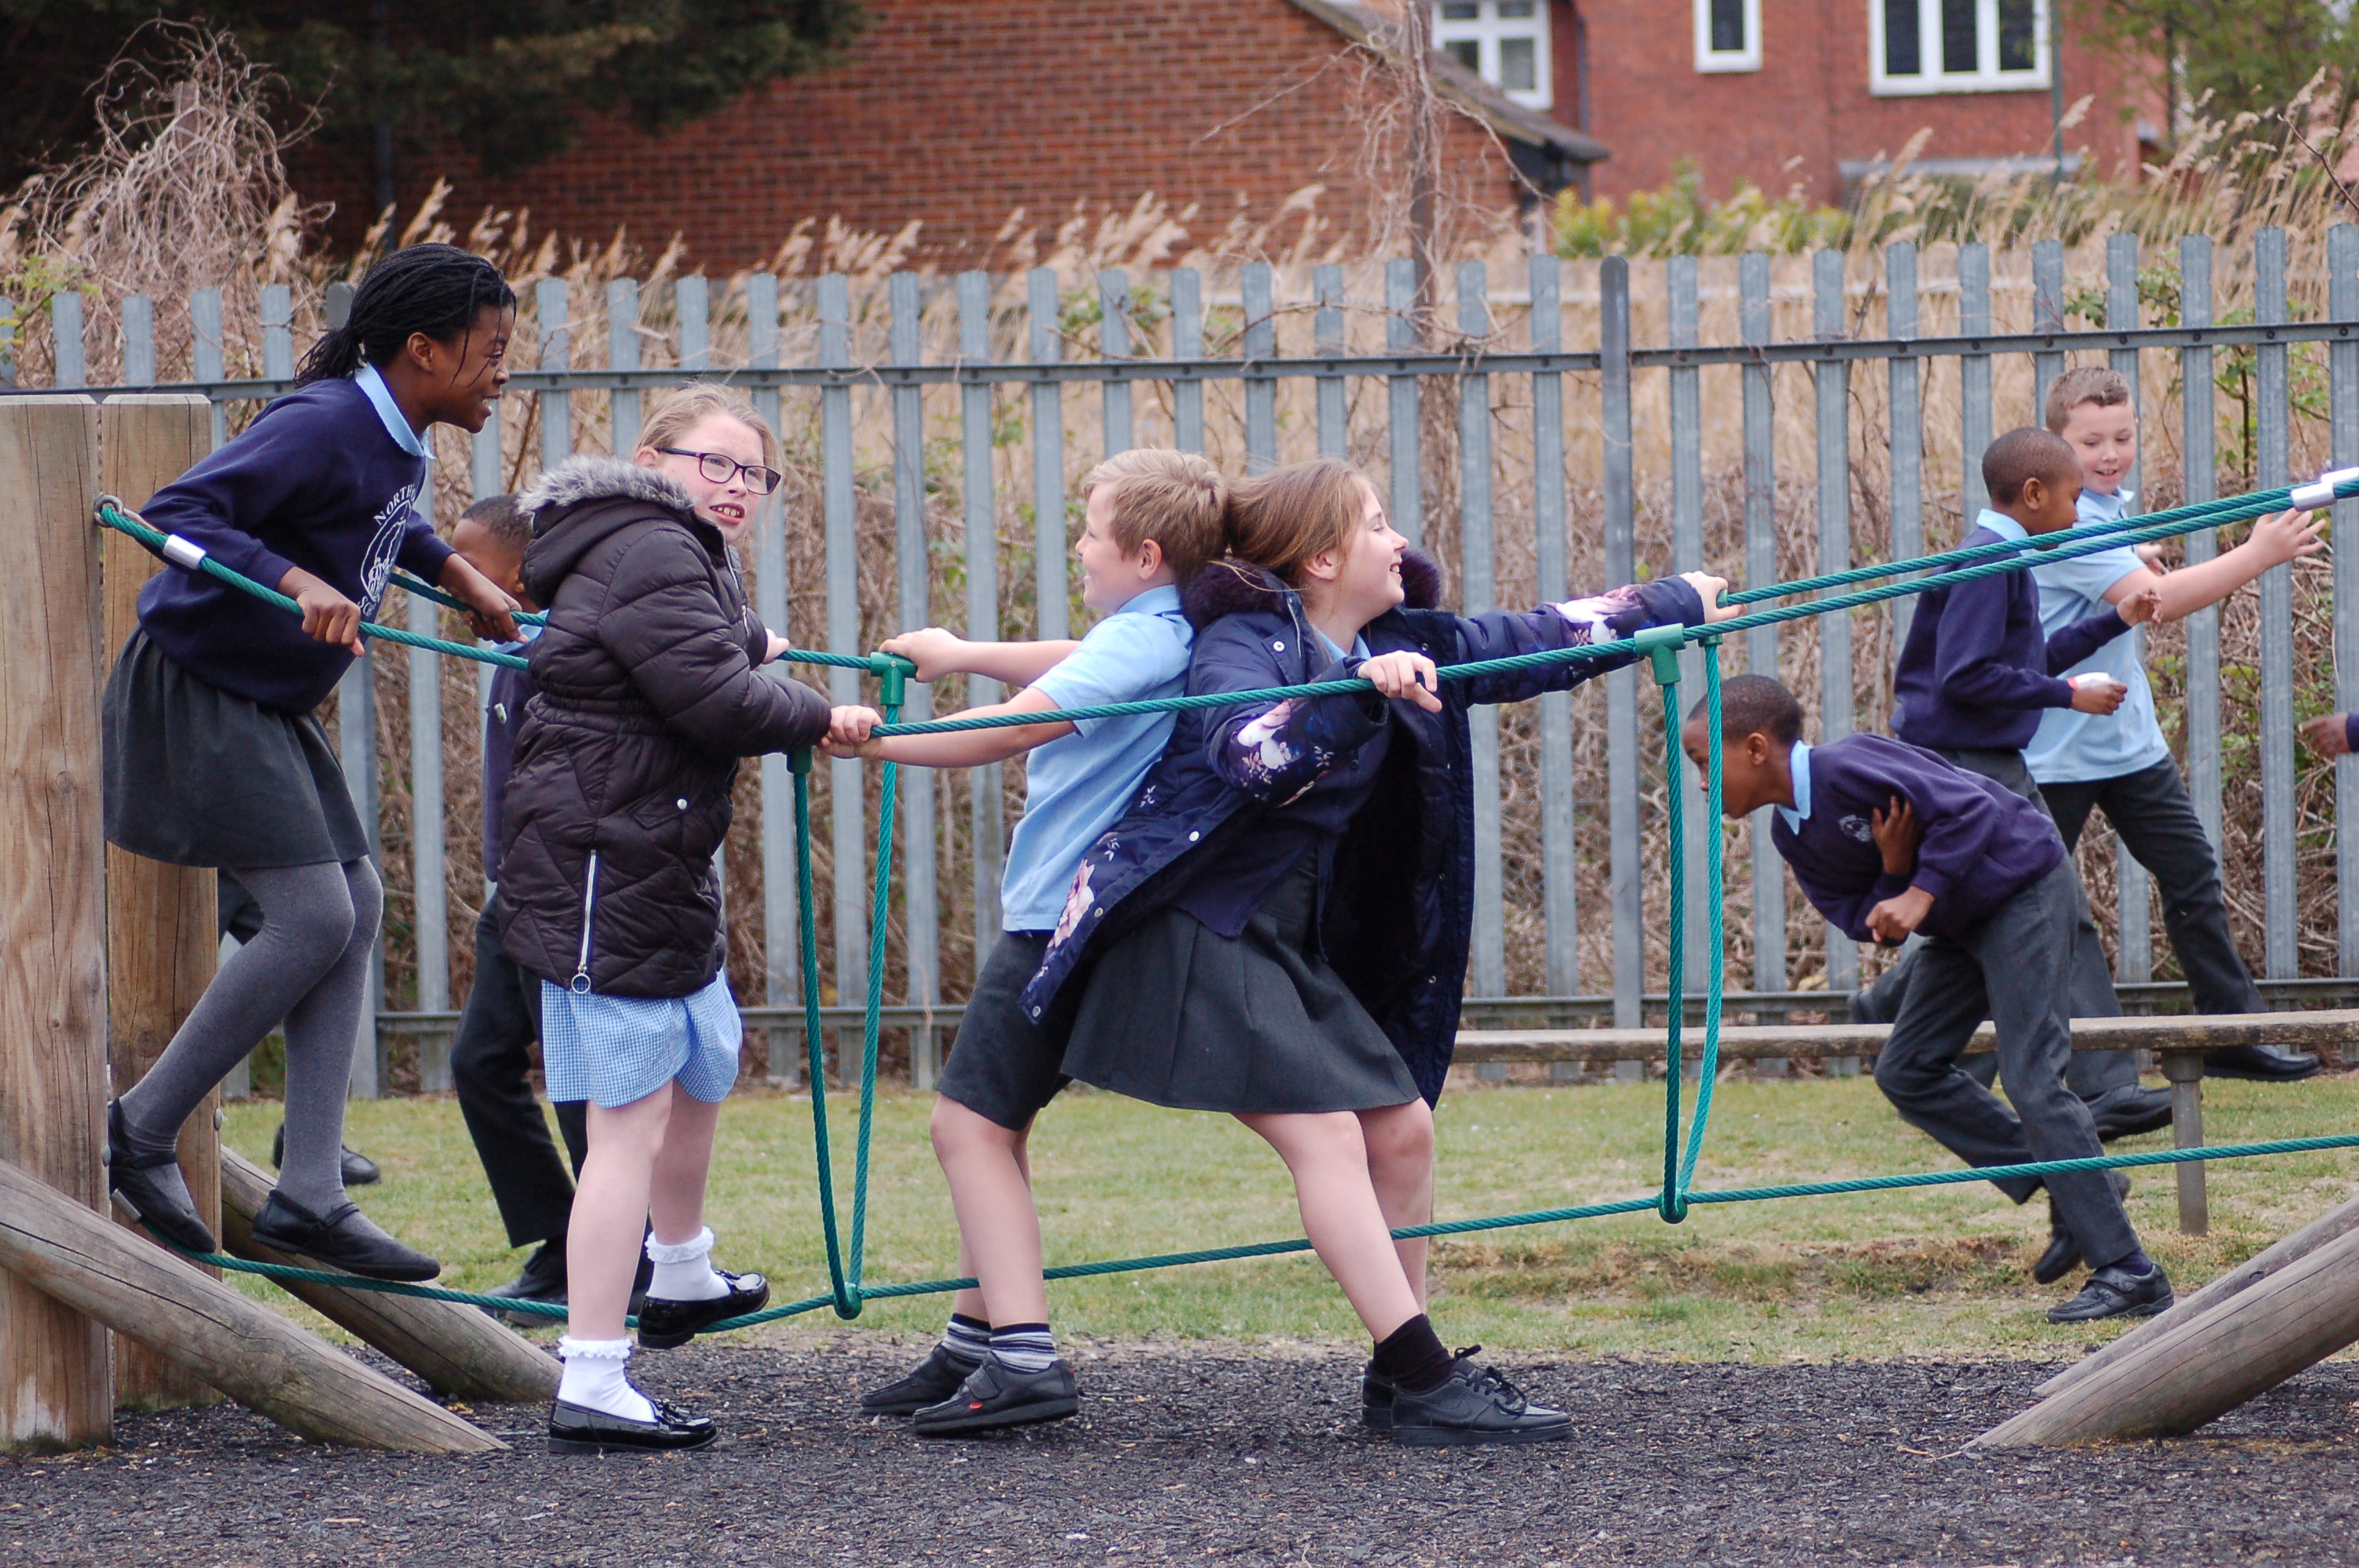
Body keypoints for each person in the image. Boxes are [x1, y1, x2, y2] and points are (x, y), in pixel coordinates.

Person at [1025, 458, 1733, 1444]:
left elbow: (1528, 640)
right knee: (1329, 1137)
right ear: (1320, 555)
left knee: (1400, 1127)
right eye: (1373, 524)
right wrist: (1356, 695)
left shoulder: (1400, 639)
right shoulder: (1243, 640)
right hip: (1193, 927)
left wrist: (1669, 603)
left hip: (1278, 937)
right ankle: (1425, 1373)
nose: (1397, 540)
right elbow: (1250, 748)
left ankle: (1400, 1382)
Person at [101, 243, 522, 1281]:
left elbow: (382, 523)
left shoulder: (393, 434)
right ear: (422, 349)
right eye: (489, 351)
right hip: (202, 687)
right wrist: (295, 578)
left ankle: (311, 1194)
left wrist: (460, 572)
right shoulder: (327, 419)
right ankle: (140, 1131)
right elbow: (177, 512)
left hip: (267, 701)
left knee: (358, 903)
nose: (502, 371)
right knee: (313, 915)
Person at [500, 385, 875, 1455]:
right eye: (715, 464)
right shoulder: (656, 546)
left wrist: (755, 642)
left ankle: (680, 1270)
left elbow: (706, 647)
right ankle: (594, 1373)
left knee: (705, 1056)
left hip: (652, 852)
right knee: (628, 1127)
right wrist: (819, 713)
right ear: (654, 459)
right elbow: (714, 698)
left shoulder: (668, 548)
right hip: (602, 862)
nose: (736, 487)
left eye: (753, 473)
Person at [832, 449, 1227, 1436]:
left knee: (963, 1128)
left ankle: (1025, 1360)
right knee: (996, 1127)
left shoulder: (1141, 642)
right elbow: (1071, 660)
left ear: (1141, 554)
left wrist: (864, 739)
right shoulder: (1164, 629)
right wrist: (961, 650)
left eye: (1089, 533)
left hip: (1055, 915)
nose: (1079, 550)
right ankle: (977, 1342)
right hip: (1074, 912)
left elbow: (1014, 732)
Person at [1687, 675, 2172, 1322]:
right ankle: (2080, 1185)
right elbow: (1864, 918)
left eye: (1701, 761)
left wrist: (1919, 890)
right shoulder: (1791, 835)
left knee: (2032, 1076)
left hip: (2021, 889)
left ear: (1752, 748)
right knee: (1907, 1069)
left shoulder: (1847, 763)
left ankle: (2131, 1271)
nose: (1699, 782)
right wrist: (1894, 872)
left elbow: (1973, 809)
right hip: (1961, 923)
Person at [1858, 426, 2172, 1143]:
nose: (2078, 511)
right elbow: (1965, 677)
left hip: (1987, 760)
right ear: (2034, 495)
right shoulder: (1990, 562)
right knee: (2044, 904)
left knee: (2028, 908)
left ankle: (1961, 1051)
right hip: (1972, 766)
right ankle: (2045, 1088)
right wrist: (2065, 697)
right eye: (2071, 498)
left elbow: (2023, 660)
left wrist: (2112, 620)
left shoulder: (2004, 556)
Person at [2019, 367, 2321, 1083]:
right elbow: (2155, 601)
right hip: (2054, 751)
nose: (2109, 453)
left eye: (2122, 437)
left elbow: (2120, 575)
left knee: (2190, 873)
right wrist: (2258, 553)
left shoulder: (2106, 511)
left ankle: (2232, 1033)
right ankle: (1906, 1016)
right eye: (2090, 442)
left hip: (2126, 742)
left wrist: (2135, 557)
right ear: (2054, 447)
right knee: (2028, 900)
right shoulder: (2067, 522)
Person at [439, 493, 647, 1320]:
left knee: (571, 1075)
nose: (456, 586)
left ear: (519, 575)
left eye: (470, 570)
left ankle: (617, 1257)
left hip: (557, 886)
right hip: (512, 884)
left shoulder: (561, 650)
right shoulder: (515, 645)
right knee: (479, 1060)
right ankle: (564, 1241)